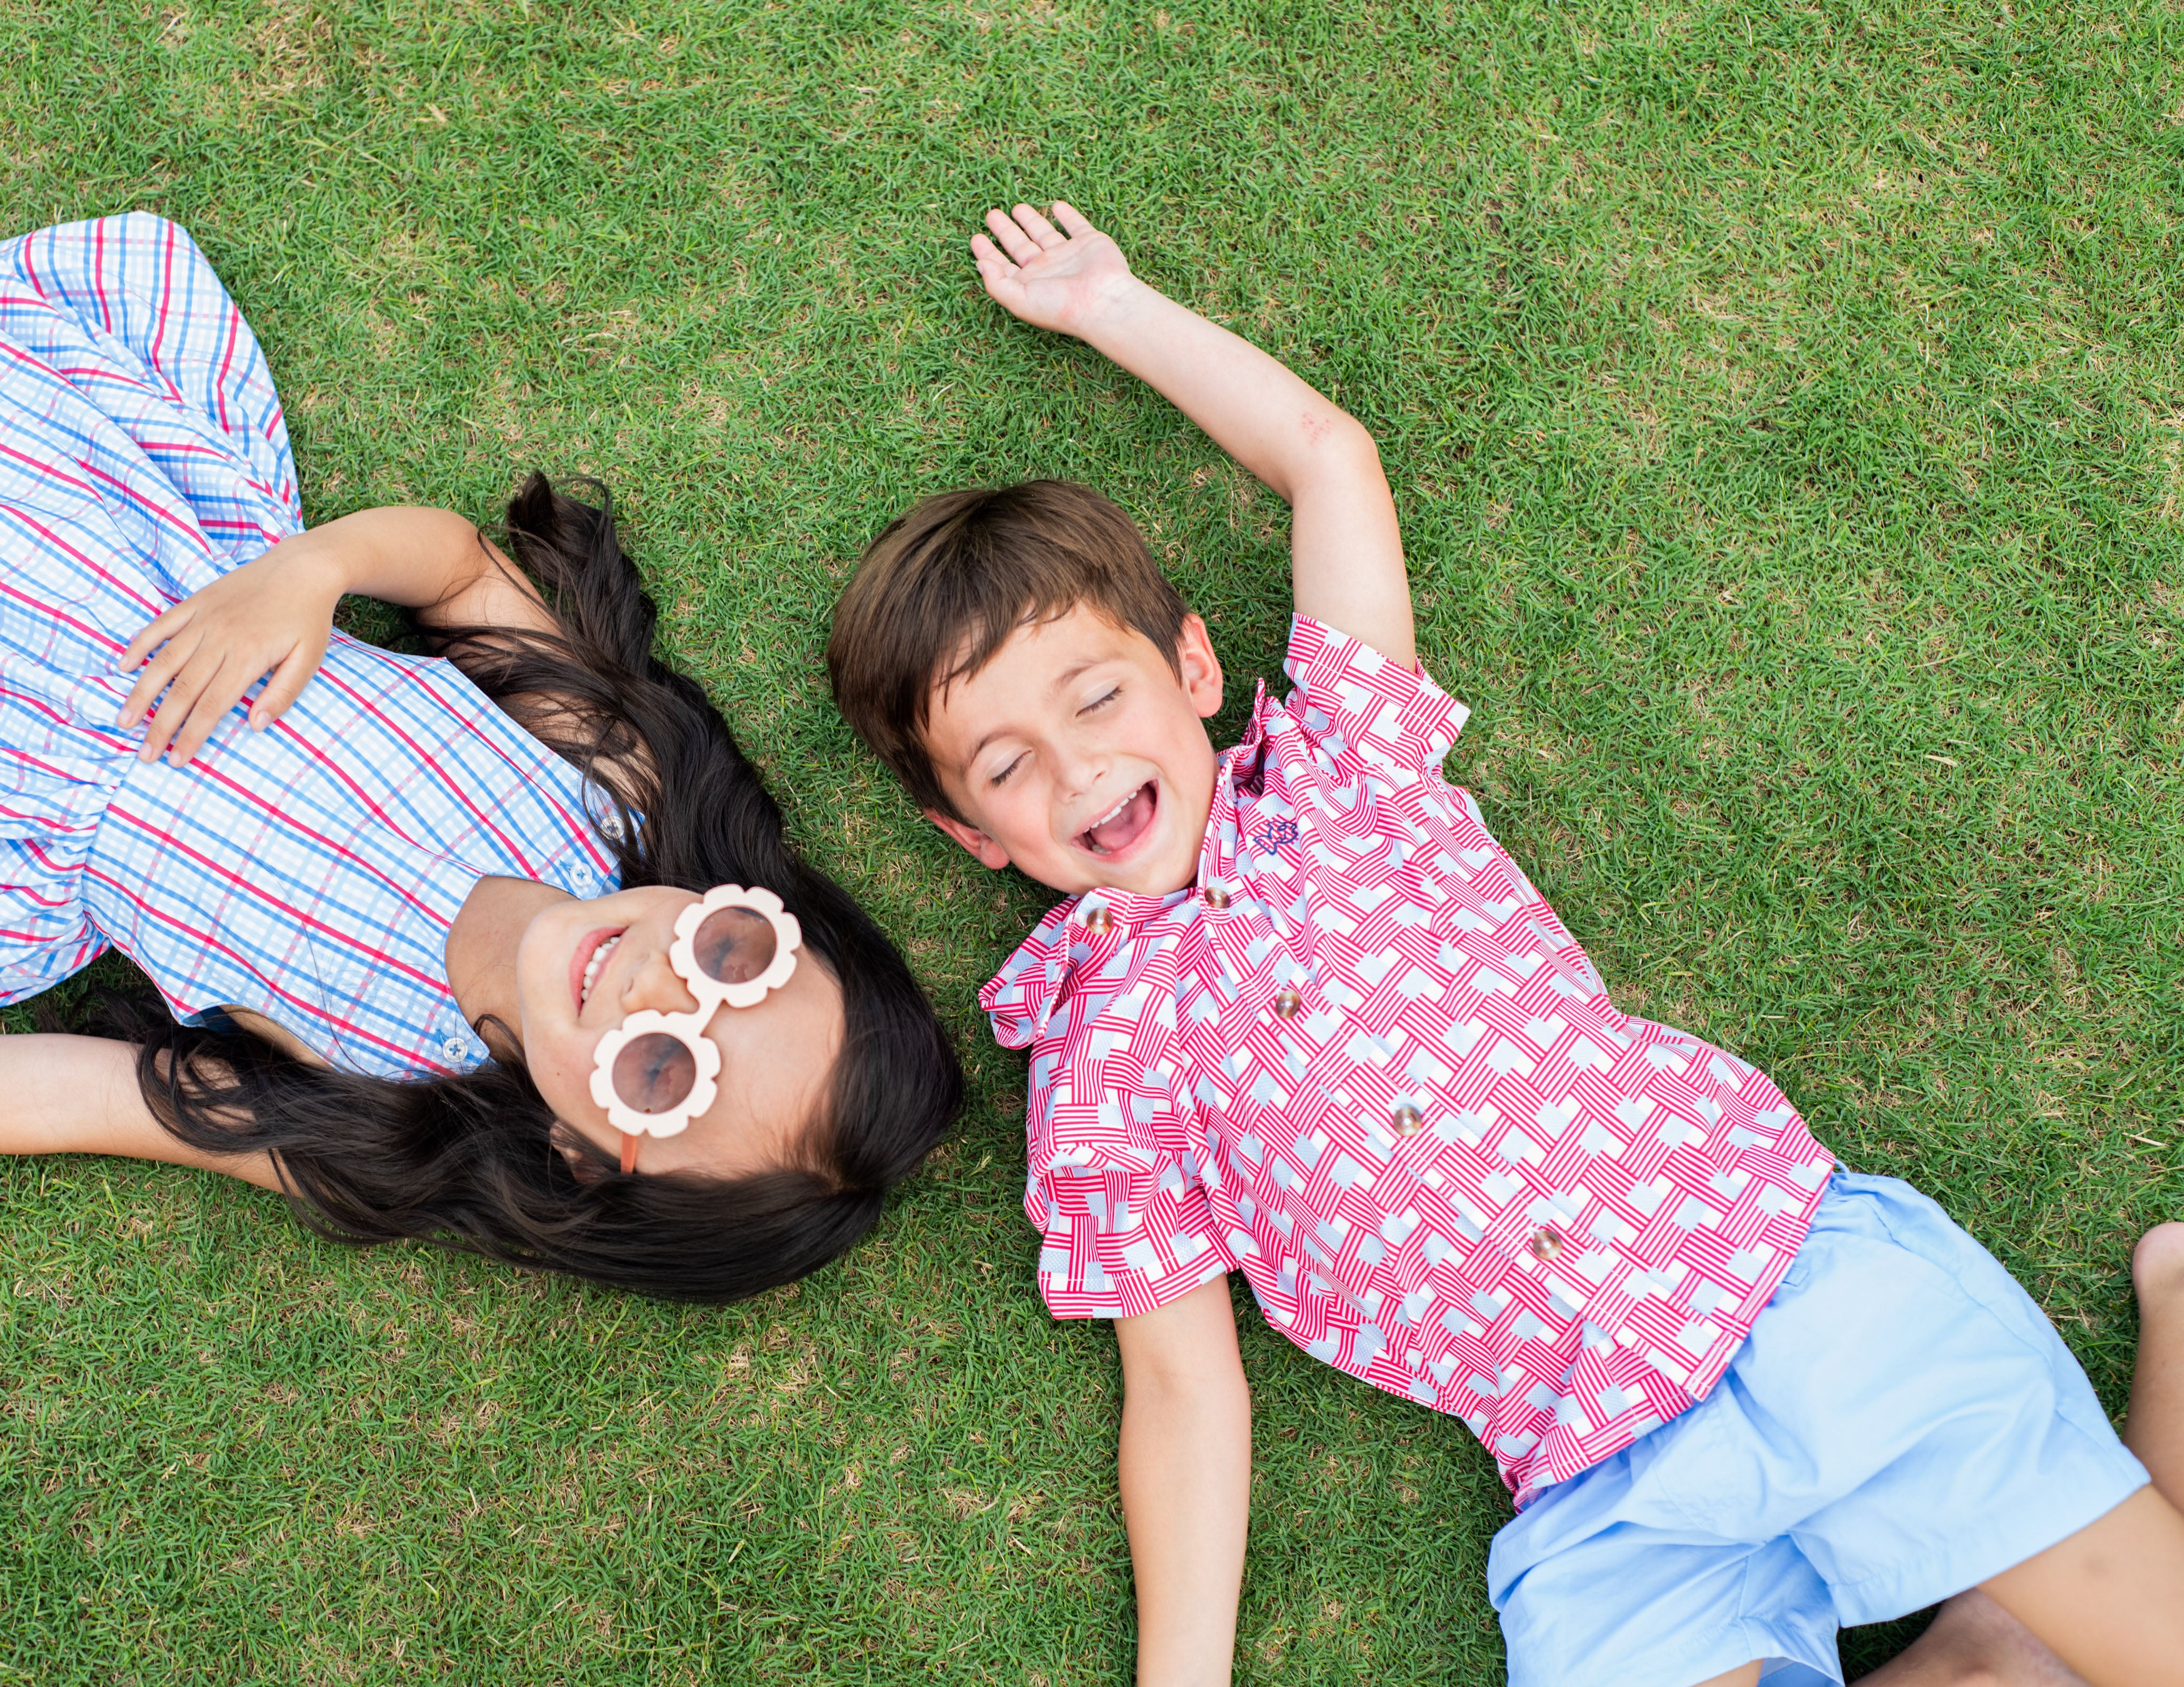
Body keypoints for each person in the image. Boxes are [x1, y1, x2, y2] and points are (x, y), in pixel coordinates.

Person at [824, 199, 2184, 1685]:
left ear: (1196, 668)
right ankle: (1997, 1626)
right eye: (1005, 764)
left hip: (1789, 1295)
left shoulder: (1346, 769)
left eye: (1095, 695)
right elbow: (1181, 1384)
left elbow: (1328, 457)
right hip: (1598, 1484)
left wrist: (1112, 305)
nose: (1076, 767)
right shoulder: (1092, 1078)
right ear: (975, 837)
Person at [0, 211, 959, 1303]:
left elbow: (86, 1098)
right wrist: (313, 571)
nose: (657, 989)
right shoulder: (615, 786)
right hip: (97, 547)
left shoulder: (380, 1105)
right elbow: (453, 566)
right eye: (735, 960)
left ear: (579, 1152)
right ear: (755, 908)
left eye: (659, 1072)